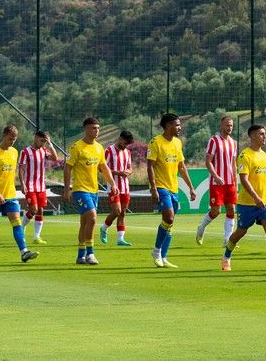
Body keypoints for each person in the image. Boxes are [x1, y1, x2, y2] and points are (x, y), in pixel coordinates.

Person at [222, 124, 266, 272]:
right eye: (262, 134)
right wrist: (256, 197)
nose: (265, 136)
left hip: (265, 200)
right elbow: (244, 179)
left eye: (265, 134)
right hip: (247, 202)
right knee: (241, 231)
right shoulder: (245, 155)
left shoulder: (265, 155)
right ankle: (226, 257)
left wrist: (261, 197)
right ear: (253, 136)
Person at [146, 112, 198, 269]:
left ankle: (163, 256)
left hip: (173, 187)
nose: (179, 127)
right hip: (161, 187)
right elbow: (150, 166)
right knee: (168, 218)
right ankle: (156, 251)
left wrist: (191, 187)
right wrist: (153, 188)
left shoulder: (177, 143)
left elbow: (181, 167)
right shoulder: (155, 142)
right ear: (168, 126)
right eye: (177, 125)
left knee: (170, 223)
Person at [0, 124, 39, 263]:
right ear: (3, 136)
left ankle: (24, 252)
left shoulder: (14, 152)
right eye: (10, 139)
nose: (12, 141)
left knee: (17, 223)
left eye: (14, 139)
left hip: (11, 195)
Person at [64, 117, 117, 266]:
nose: (97, 131)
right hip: (80, 190)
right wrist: (67, 189)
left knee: (85, 223)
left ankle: (80, 255)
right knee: (93, 217)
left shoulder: (99, 148)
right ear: (86, 129)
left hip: (94, 190)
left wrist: (112, 183)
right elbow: (68, 167)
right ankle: (90, 253)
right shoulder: (77, 147)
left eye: (98, 128)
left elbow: (104, 167)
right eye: (93, 128)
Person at [195, 115, 238, 248]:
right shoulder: (214, 141)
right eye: (227, 125)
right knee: (216, 211)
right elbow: (208, 161)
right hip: (217, 182)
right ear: (221, 125)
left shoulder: (234, 142)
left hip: (230, 182)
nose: (229, 127)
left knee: (231, 209)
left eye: (231, 125)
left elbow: (233, 162)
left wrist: (236, 180)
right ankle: (201, 228)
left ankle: (227, 240)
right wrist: (215, 176)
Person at [19, 130, 62, 245]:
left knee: (40, 210)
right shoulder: (25, 152)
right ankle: (21, 227)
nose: (43, 143)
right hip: (30, 185)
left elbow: (55, 158)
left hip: (41, 186)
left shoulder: (43, 150)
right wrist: (22, 184)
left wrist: (50, 144)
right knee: (33, 209)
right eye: (41, 140)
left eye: (44, 141)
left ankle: (36, 237)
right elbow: (21, 169)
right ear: (35, 138)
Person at [101, 130, 135, 246]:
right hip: (113, 186)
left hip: (125, 187)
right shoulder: (109, 151)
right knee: (117, 211)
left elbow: (130, 168)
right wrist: (118, 173)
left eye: (127, 145)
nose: (126, 146)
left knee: (123, 213)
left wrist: (128, 172)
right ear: (120, 138)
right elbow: (102, 168)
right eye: (125, 143)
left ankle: (120, 239)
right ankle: (104, 228)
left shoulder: (128, 152)